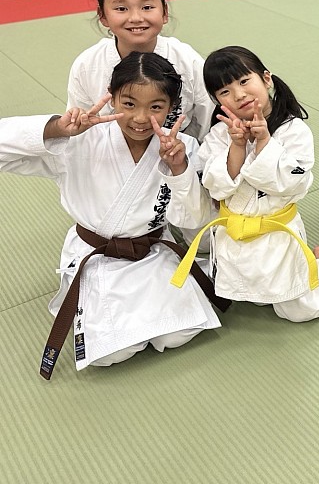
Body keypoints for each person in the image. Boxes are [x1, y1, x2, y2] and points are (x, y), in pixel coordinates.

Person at [0, 52, 226, 379]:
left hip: (151, 252)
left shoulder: (184, 147)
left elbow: (194, 220)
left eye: (156, 107)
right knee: (112, 353)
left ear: (172, 107)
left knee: (179, 333)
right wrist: (57, 129)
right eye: (129, 104)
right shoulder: (79, 140)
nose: (140, 118)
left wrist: (179, 169)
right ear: (112, 97)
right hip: (98, 257)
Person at [173, 46, 319, 323]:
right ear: (216, 100)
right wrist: (237, 146)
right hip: (234, 236)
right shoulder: (220, 134)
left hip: (276, 235)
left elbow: (291, 185)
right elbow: (216, 188)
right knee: (244, 297)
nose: (239, 94)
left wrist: (265, 142)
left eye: (244, 81)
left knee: (299, 309)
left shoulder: (293, 130)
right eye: (225, 91)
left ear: (266, 79)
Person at [67, 0, 214, 140]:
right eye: (121, 9)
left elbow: (207, 122)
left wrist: (190, 152)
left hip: (181, 152)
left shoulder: (188, 61)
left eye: (147, 7)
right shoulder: (87, 65)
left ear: (164, 11)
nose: (136, 18)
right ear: (103, 16)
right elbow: (79, 129)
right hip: (110, 153)